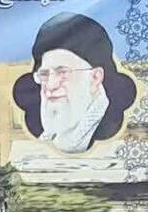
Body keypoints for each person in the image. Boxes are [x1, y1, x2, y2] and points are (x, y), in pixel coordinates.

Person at [12, 12, 136, 154]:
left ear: (95, 78)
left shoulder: (111, 129)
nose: (51, 86)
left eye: (62, 72)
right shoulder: (40, 141)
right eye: (44, 74)